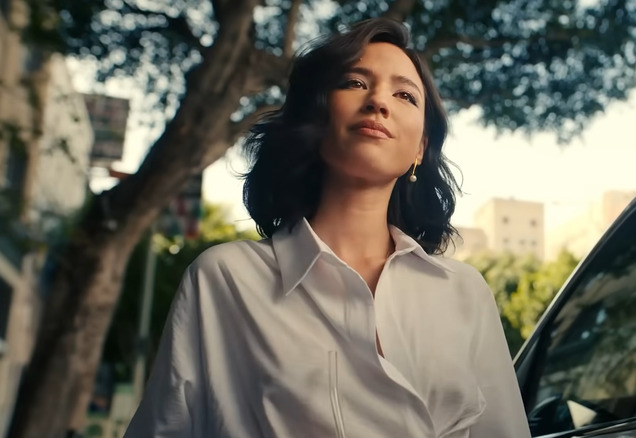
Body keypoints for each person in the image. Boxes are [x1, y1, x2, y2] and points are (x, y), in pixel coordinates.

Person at [124, 17, 531, 438]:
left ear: (420, 148)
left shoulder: (464, 291)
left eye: (405, 95)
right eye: (355, 83)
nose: (379, 102)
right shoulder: (226, 279)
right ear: (316, 117)